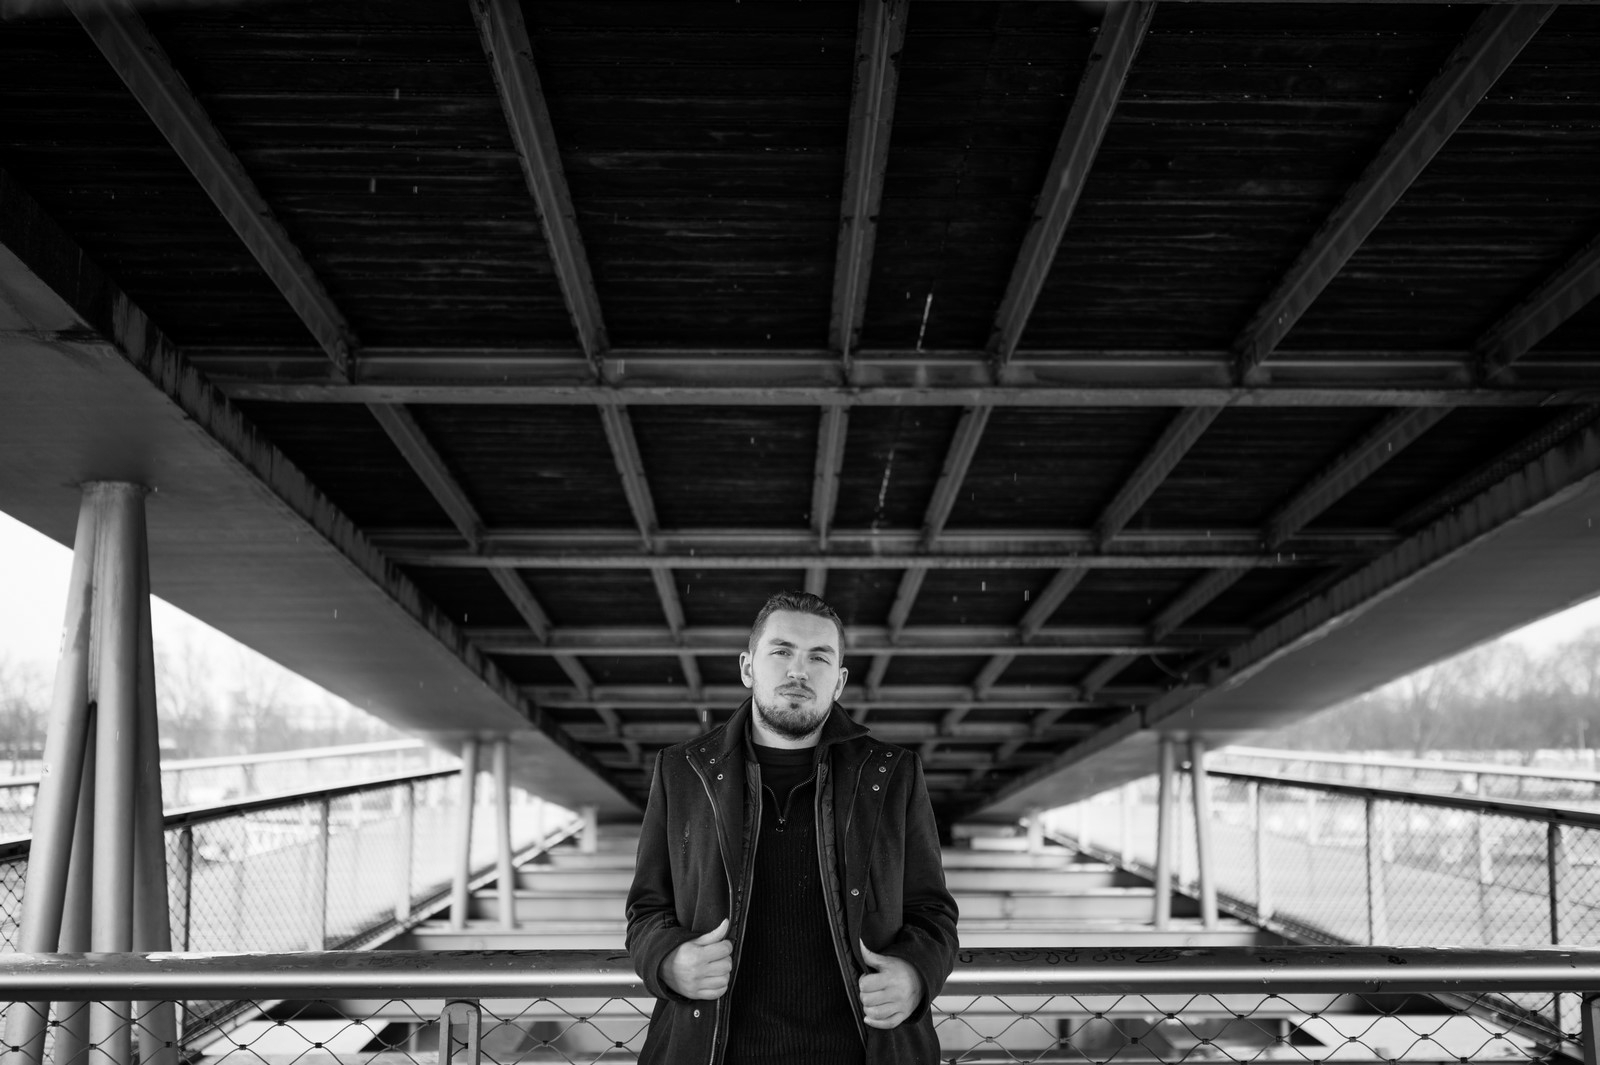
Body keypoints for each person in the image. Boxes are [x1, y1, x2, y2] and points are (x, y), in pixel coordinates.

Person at [625, 590, 959, 1064]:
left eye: (818, 657)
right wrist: (668, 961)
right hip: (714, 1051)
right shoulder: (682, 771)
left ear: (839, 681)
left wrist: (916, 975)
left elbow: (932, 910)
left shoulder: (891, 773)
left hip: (863, 1051)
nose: (798, 671)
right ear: (748, 667)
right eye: (781, 652)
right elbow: (646, 909)